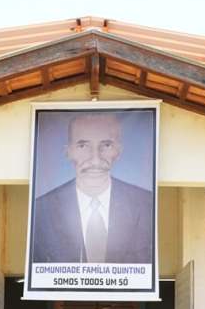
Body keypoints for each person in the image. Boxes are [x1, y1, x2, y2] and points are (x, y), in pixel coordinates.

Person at [31, 112, 154, 264]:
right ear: (68, 152)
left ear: (119, 151)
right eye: (83, 146)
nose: (95, 159)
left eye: (106, 145)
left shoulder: (147, 204)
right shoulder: (41, 210)